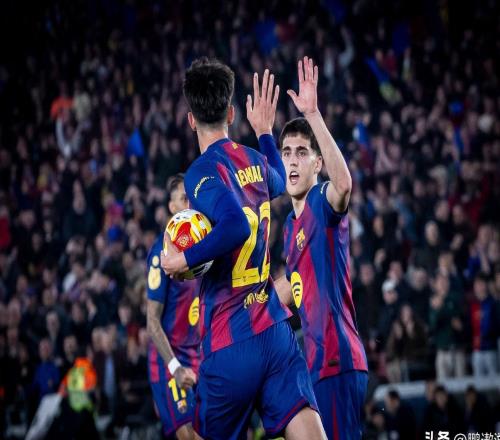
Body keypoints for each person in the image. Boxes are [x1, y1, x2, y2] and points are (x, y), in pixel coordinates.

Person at [161, 58, 325, 439]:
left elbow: (234, 225)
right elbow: (280, 178)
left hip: (229, 342)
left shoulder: (201, 172)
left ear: (191, 120)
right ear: (232, 113)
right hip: (273, 331)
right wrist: (264, 132)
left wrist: (182, 258)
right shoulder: (254, 159)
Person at [275, 56, 368, 439]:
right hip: (315, 364)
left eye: (301, 153)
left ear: (316, 164)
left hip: (337, 359)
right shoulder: (288, 227)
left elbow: (343, 185)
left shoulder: (320, 201)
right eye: (286, 153)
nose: (292, 161)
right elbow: (291, 287)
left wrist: (313, 115)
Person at [146, 174, 201, 440]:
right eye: (183, 198)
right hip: (170, 359)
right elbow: (152, 322)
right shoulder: (161, 254)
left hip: (200, 357)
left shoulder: (205, 245)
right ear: (172, 207)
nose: (190, 203)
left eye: (192, 197)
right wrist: (174, 367)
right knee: (188, 434)